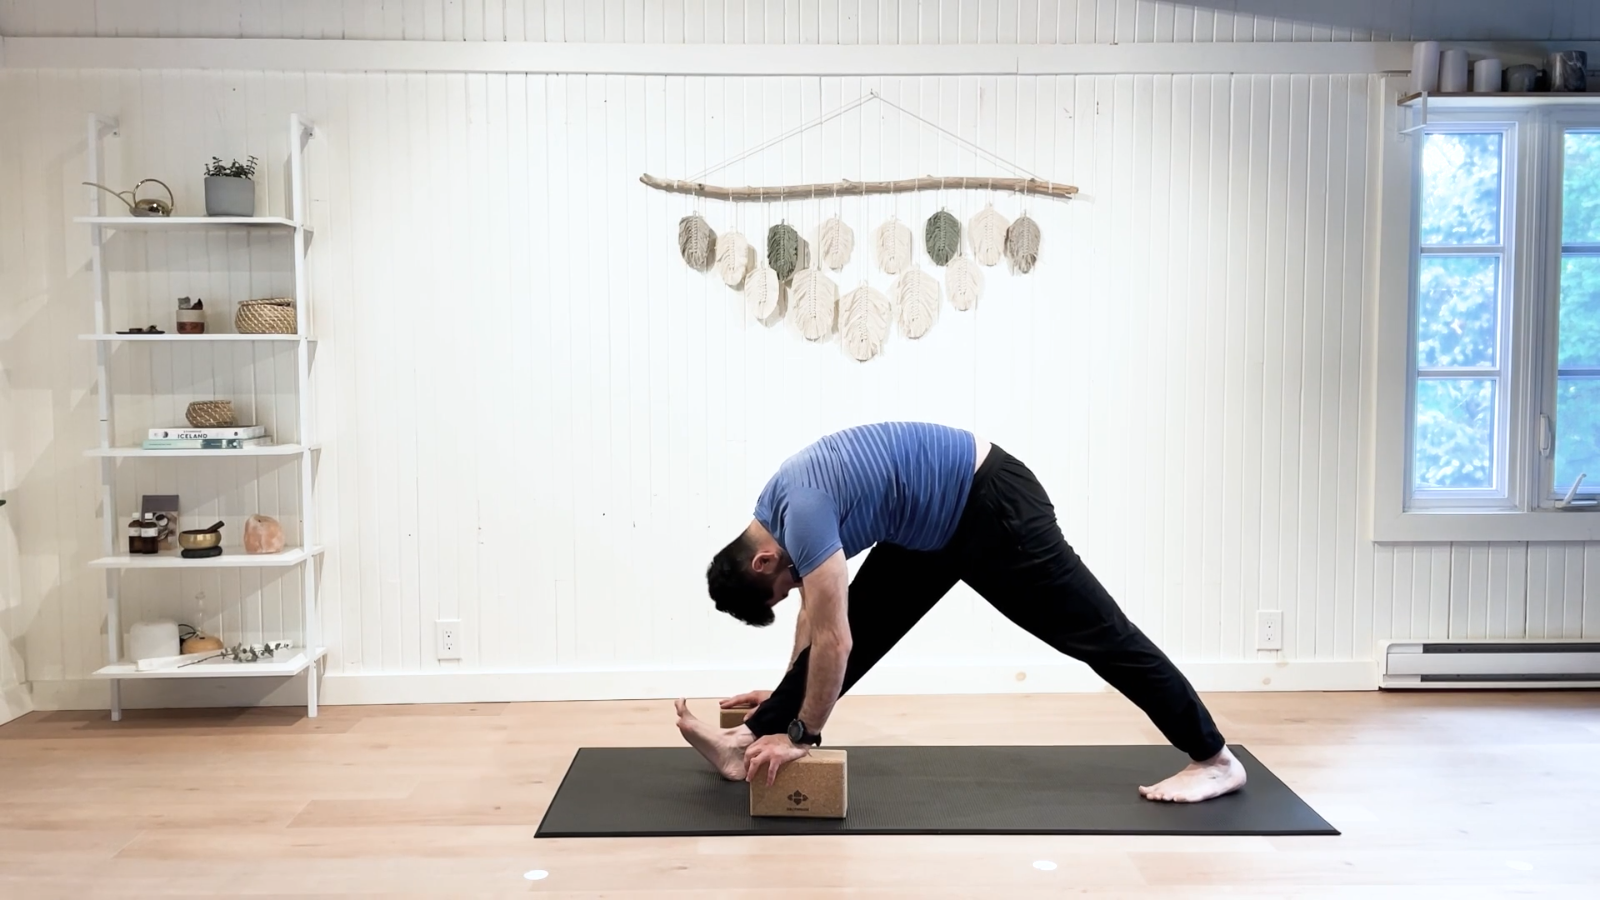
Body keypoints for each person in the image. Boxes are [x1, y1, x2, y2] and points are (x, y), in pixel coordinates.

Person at [674, 421, 1246, 803]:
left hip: (992, 508)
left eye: (785, 582)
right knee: (859, 626)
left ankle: (1214, 758)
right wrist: (781, 699)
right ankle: (742, 741)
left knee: (1100, 635)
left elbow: (833, 640)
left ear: (763, 561)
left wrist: (804, 733)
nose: (794, 584)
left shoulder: (802, 512)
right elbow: (816, 617)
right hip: (932, 524)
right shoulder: (776, 512)